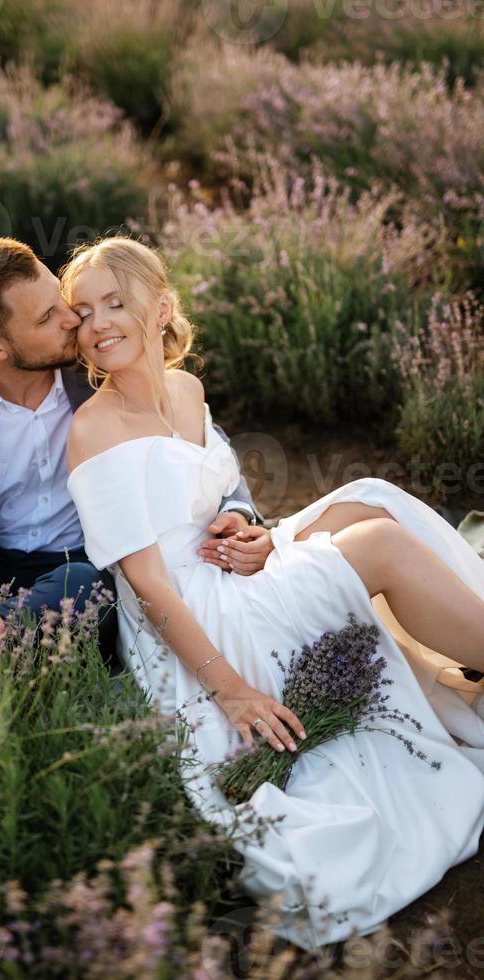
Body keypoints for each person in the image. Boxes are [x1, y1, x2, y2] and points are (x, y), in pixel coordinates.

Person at [62, 235, 484, 950]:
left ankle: (455, 663)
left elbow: (212, 498)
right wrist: (229, 690)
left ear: (161, 307)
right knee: (377, 543)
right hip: (198, 620)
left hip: (226, 566)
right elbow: (148, 583)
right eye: (82, 311)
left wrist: (245, 524)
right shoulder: (93, 431)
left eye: (115, 301)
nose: (98, 323)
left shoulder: (188, 389)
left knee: (366, 503)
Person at [0, 237, 263, 662]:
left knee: (80, 590)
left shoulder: (96, 356)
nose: (74, 321)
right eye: (47, 318)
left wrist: (240, 510)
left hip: (83, 565)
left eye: (61, 300)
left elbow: (196, 440)